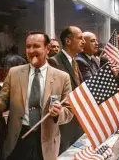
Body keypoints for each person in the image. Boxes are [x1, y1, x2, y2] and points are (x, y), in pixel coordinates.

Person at [0, 31, 73, 160]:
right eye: (28, 46)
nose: (31, 50)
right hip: (18, 140)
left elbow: (69, 112)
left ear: (47, 48)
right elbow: (2, 100)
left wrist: (59, 113)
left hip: (46, 142)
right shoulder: (14, 73)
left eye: (36, 46)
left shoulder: (62, 77)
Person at [47, 26, 85, 154]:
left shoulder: (75, 62)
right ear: (68, 41)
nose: (83, 42)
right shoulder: (54, 62)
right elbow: (53, 95)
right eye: (80, 38)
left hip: (76, 121)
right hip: (63, 125)